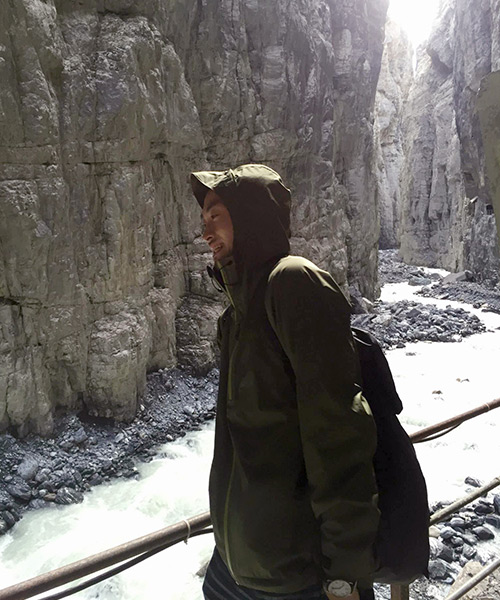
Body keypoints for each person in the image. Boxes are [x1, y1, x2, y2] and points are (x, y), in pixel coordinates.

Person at [190, 164, 379, 600]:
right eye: (203, 221)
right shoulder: (236, 313)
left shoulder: (292, 283)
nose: (206, 232)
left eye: (215, 215)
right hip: (236, 561)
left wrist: (346, 572)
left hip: (293, 572)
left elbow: (339, 431)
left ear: (250, 216)